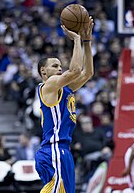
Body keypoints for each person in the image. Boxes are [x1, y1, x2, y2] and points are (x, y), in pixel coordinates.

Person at [34, 17, 94, 193]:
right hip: (53, 150)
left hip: (61, 150)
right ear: (43, 71)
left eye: (60, 66)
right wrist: (76, 40)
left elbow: (88, 73)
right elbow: (75, 70)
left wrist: (87, 42)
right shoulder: (49, 85)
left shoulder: (63, 89)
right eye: (54, 66)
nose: (59, 68)